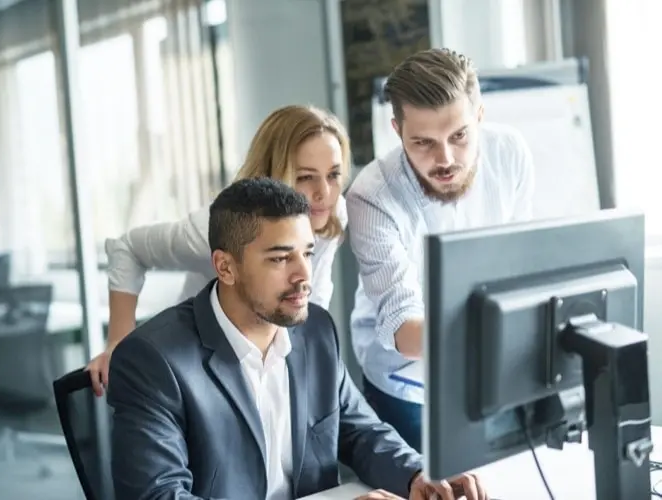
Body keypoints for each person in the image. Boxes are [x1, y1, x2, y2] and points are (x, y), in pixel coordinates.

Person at [108, 178, 489, 500]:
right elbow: (161, 496)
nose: (303, 274)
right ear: (226, 267)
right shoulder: (154, 360)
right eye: (279, 259)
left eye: (307, 252)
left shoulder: (314, 330)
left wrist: (418, 473)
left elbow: (359, 431)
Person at [88, 105, 350, 396]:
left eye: (334, 174)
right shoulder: (217, 229)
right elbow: (128, 248)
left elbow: (314, 303)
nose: (324, 192)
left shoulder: (329, 213)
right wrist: (118, 344)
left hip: (263, 356)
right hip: (196, 362)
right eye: (305, 177)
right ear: (274, 173)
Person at [346, 48, 536, 450]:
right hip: (406, 378)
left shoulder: (510, 153)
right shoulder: (371, 196)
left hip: (489, 360)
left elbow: (518, 262)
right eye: (423, 142)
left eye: (459, 136)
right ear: (397, 130)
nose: (446, 158)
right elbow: (403, 326)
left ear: (479, 115)